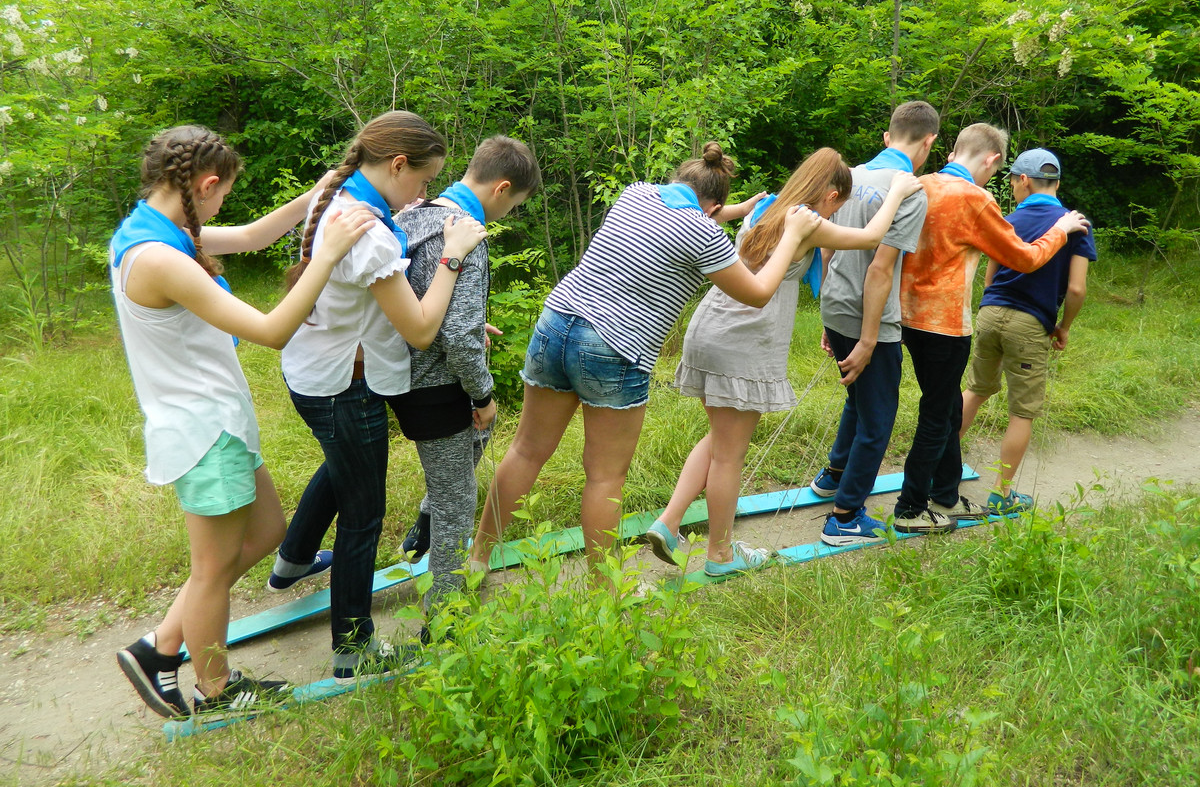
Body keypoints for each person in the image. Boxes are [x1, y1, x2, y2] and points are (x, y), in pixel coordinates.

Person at [111, 126, 377, 718]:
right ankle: (213, 687)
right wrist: (326, 254)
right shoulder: (159, 258)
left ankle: (157, 648)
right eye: (223, 194)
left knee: (265, 532)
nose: (223, 206)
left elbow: (256, 238)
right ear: (205, 185)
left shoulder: (159, 231)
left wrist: (320, 196)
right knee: (210, 572)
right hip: (203, 432)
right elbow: (272, 330)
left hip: (216, 422)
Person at [467, 142, 822, 575]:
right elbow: (759, 292)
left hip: (556, 322)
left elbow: (683, 212)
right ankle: (605, 593)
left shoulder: (635, 193)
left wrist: (737, 208)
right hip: (613, 348)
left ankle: (477, 559)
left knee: (525, 452)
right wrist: (793, 236)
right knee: (604, 477)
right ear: (713, 208)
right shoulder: (705, 232)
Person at [268, 110, 487, 681]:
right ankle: (353, 649)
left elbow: (373, 306)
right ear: (396, 165)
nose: (424, 195)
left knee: (346, 476)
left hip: (321, 373)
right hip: (342, 386)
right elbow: (418, 329)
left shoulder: (344, 199)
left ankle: (293, 561)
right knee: (363, 516)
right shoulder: (364, 228)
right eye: (421, 181)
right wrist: (453, 255)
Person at [646, 149, 921, 576]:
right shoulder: (806, 222)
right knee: (729, 456)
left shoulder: (765, 207)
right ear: (830, 195)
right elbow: (871, 238)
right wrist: (899, 190)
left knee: (719, 440)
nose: (837, 212)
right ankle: (721, 556)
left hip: (712, 328)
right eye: (838, 204)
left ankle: (668, 522)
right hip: (743, 341)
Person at [892, 125, 1090, 533]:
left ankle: (945, 492)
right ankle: (911, 507)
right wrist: (1062, 230)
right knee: (939, 413)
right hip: (946, 322)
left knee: (951, 405)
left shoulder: (918, 184)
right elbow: (1027, 258)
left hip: (906, 314)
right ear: (992, 160)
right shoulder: (977, 199)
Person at [387, 135, 542, 624]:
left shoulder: (413, 215)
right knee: (459, 502)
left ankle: (421, 534)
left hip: (399, 371)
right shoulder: (467, 234)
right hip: (435, 385)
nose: (508, 213)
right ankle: (447, 617)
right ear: (501, 189)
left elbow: (426, 301)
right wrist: (484, 393)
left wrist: (474, 325)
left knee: (457, 471)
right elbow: (455, 337)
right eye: (514, 204)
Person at [808, 101, 936, 546]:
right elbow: (881, 270)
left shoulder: (851, 174)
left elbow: (825, 247)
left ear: (887, 137)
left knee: (859, 400)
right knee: (878, 418)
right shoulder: (911, 190)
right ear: (929, 142)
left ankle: (833, 476)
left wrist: (828, 311)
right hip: (869, 318)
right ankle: (844, 517)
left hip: (835, 303)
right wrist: (868, 339)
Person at [958, 148, 1097, 514]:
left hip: (990, 313)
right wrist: (1063, 327)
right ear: (1057, 182)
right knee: (1022, 411)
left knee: (975, 389)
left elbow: (989, 276)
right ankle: (1001, 496)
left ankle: (937, 468)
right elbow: (1078, 289)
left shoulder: (1008, 219)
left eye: (1013, 182)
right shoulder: (1075, 222)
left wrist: (994, 304)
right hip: (1031, 322)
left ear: (1023, 180)